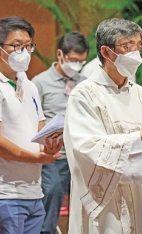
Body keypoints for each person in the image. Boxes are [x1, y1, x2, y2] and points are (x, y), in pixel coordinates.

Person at [63, 18, 142, 233]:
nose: (136, 54)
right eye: (127, 46)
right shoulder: (84, 95)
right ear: (106, 51)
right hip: (108, 203)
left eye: (138, 46)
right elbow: (87, 149)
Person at [0, 16, 62, 234]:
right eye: (17, 46)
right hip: (2, 191)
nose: (25, 52)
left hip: (32, 189)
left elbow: (41, 129)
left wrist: (51, 144)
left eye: (29, 46)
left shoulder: (27, 83)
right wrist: (37, 157)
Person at [31, 31, 89, 234]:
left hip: (79, 154)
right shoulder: (39, 82)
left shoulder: (85, 83)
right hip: (52, 155)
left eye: (81, 61)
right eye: (73, 60)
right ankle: (46, 231)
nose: (76, 65)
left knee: (84, 197)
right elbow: (32, 118)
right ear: (60, 55)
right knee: (53, 189)